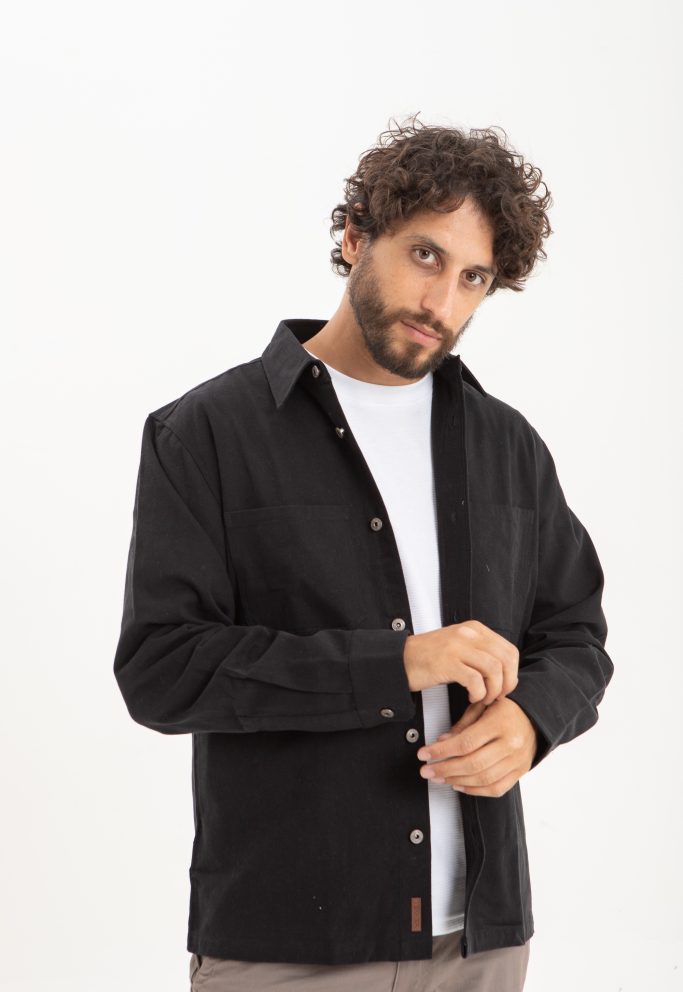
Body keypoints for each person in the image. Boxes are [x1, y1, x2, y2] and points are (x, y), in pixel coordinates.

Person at [113, 115, 613, 992]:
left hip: (481, 945)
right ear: (354, 237)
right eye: (424, 256)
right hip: (287, 945)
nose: (441, 303)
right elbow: (162, 670)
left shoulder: (506, 445)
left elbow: (574, 634)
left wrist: (533, 719)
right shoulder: (207, 434)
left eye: (472, 278)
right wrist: (399, 663)